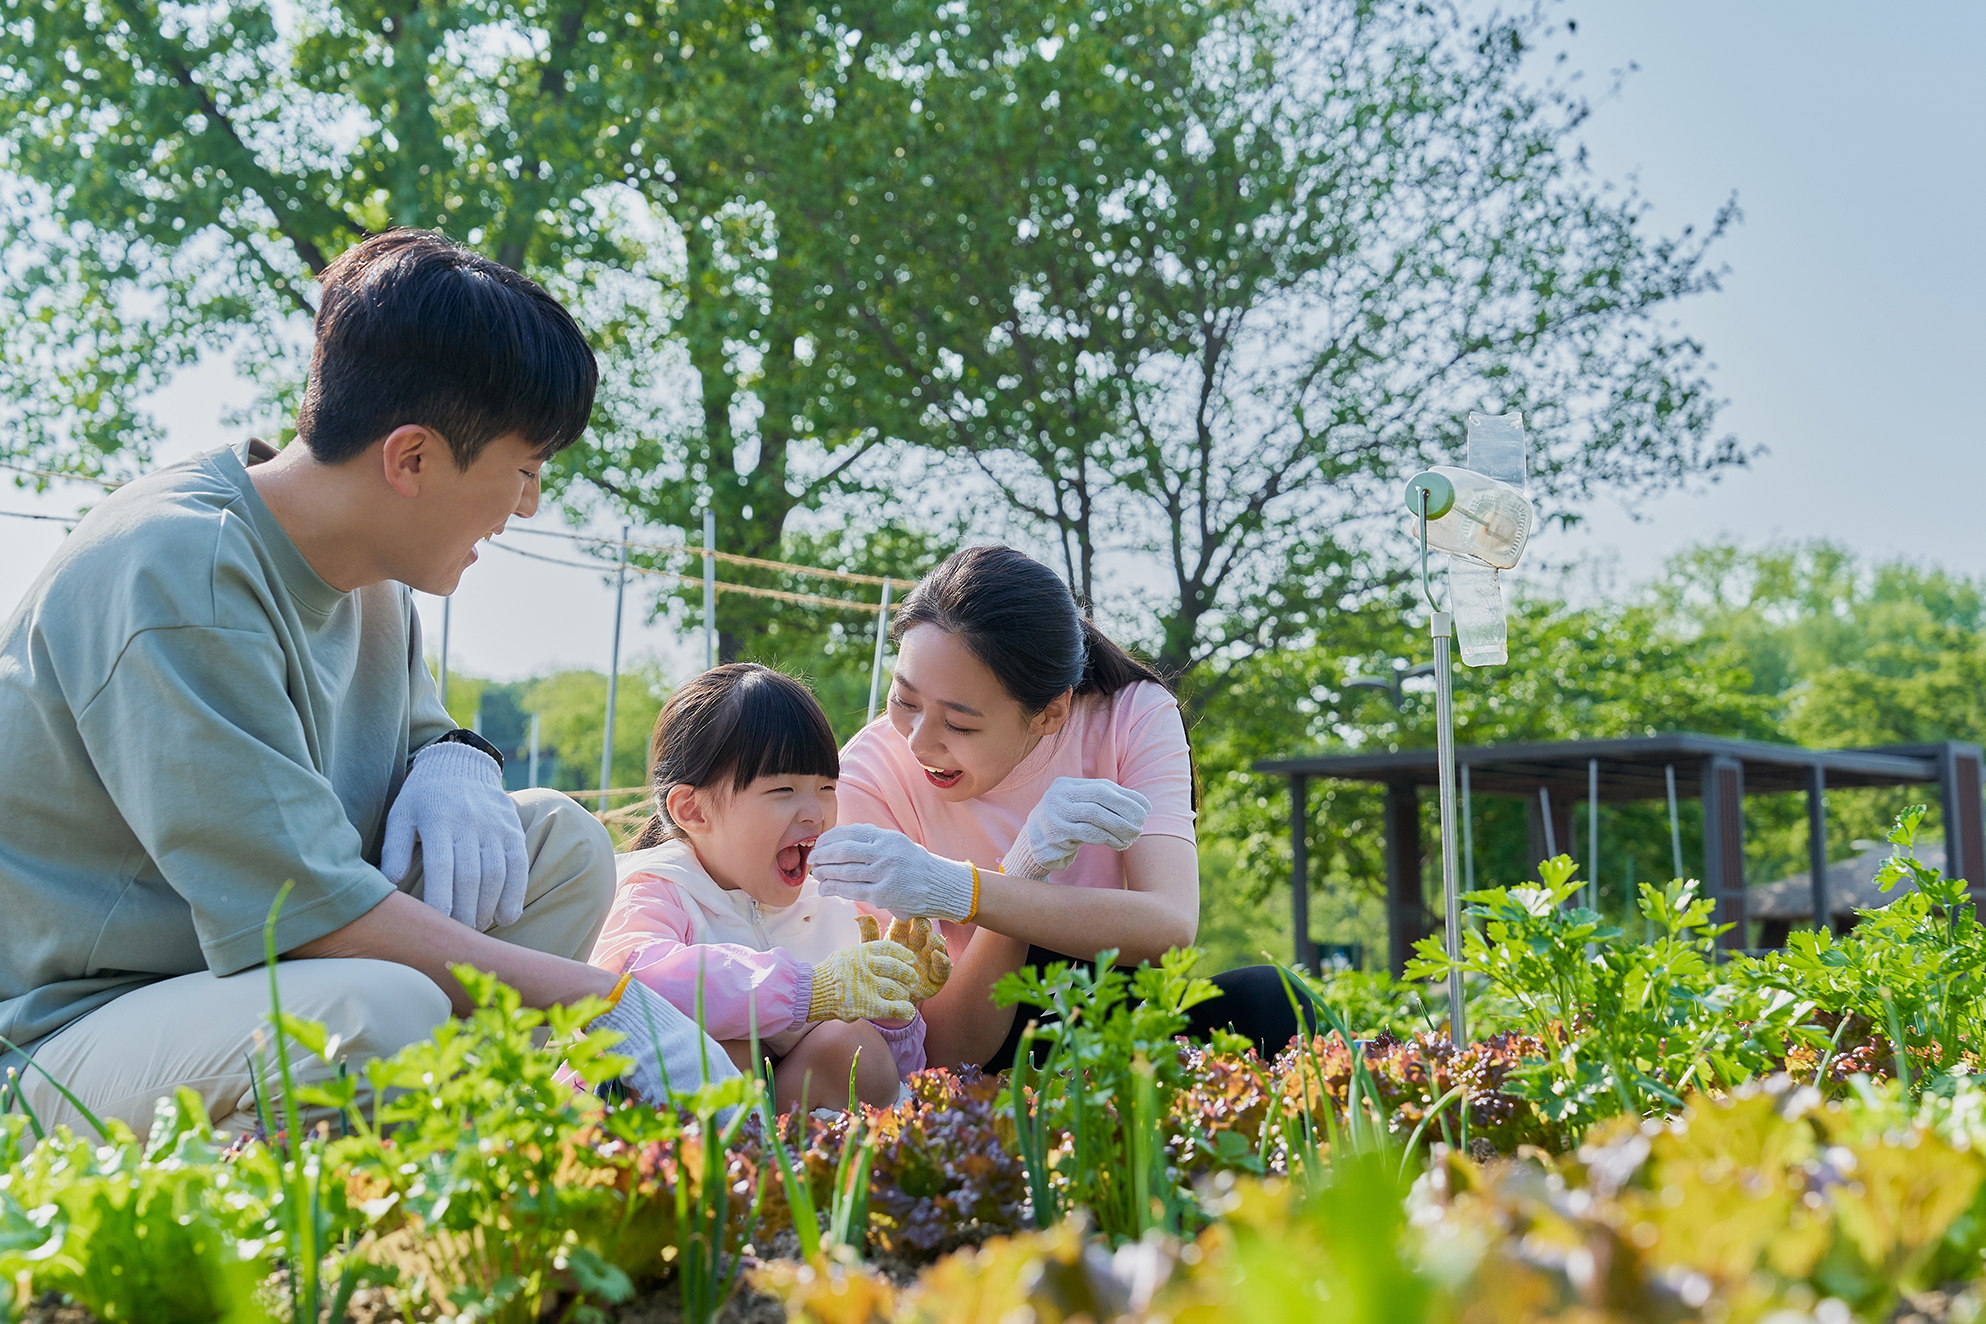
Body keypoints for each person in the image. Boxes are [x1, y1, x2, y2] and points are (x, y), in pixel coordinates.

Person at [0, 229, 730, 1142]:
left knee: (561, 847)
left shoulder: (367, 572)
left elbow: (422, 738)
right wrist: (604, 1002)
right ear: (412, 459)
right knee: (376, 1014)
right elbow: (306, 915)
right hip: (74, 1033)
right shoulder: (180, 573)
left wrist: (456, 756)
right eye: (525, 471)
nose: (529, 507)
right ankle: (295, 1173)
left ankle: (431, 1140)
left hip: (246, 978)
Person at [811, 545, 1317, 1069]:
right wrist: (1019, 871)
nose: (919, 743)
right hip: (984, 1040)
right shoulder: (867, 776)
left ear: (1051, 712)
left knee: (1272, 998)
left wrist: (964, 888)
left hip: (1112, 1016)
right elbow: (943, 1052)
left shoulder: (1130, 716)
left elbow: (1168, 927)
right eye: (905, 700)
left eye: (959, 724)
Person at [593, 664, 951, 1114]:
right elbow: (627, 984)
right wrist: (808, 990)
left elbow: (890, 1078)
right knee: (733, 1049)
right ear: (693, 810)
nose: (815, 813)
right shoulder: (659, 889)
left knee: (853, 1047)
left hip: (773, 1136)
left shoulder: (834, 903)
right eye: (783, 789)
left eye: (826, 787)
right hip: (657, 1128)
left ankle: (790, 1175)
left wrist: (892, 1002)